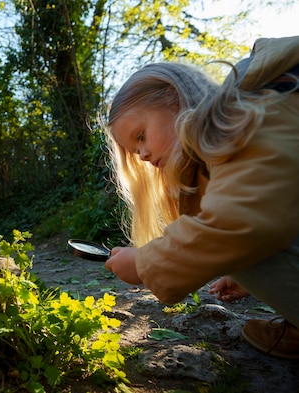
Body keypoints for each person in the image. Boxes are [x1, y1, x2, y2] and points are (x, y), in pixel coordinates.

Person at [102, 36, 299, 360]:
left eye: (140, 136)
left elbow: (245, 223)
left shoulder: (256, 113)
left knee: (236, 244)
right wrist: (252, 274)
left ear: (174, 98)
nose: (143, 153)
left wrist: (143, 262)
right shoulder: (231, 137)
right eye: (135, 150)